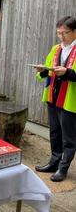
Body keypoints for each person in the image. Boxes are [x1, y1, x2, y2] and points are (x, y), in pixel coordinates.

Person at [35, 16, 76, 182]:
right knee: (54, 133)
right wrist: (43, 71)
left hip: (69, 100)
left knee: (69, 137)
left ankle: (63, 168)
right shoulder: (55, 49)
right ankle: (54, 161)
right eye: (58, 33)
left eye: (64, 33)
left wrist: (68, 73)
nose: (61, 37)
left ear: (74, 32)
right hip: (53, 96)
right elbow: (44, 72)